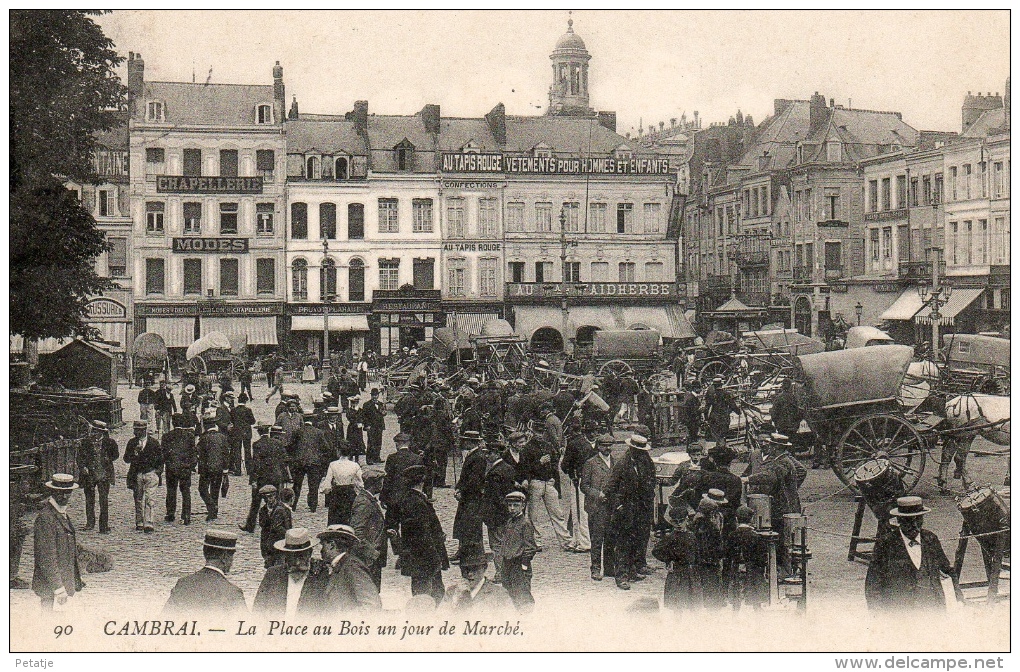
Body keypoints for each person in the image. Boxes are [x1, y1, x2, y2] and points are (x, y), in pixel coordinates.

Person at [865, 496, 958, 611]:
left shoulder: (930, 539)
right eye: (908, 520)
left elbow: (947, 570)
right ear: (898, 521)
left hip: (932, 611)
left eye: (918, 520)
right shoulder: (886, 543)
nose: (914, 525)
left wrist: (959, 600)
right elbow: (873, 583)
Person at [386, 464, 449, 605]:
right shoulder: (416, 502)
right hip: (425, 558)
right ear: (423, 481)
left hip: (421, 557)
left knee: (434, 592)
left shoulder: (412, 498)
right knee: (427, 595)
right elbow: (422, 534)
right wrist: (435, 557)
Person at [603, 433, 656, 590]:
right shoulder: (622, 464)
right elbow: (609, 488)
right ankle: (621, 576)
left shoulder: (644, 461)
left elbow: (649, 480)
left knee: (636, 541)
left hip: (640, 509)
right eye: (638, 450)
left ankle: (632, 571)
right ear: (632, 449)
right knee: (623, 544)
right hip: (625, 510)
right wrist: (618, 506)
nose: (642, 453)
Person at [162, 530, 247, 617]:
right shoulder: (233, 593)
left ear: (204, 552)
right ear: (224, 557)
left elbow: (164, 619)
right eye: (232, 556)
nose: (232, 561)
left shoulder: (183, 584)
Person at [33, 474, 84, 611]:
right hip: (51, 588)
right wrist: (58, 588)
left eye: (68, 492)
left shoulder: (62, 514)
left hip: (63, 584)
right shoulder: (46, 517)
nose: (65, 496)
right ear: (53, 492)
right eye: (61, 493)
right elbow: (46, 556)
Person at [253, 528, 330, 617]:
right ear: (285, 555)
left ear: (310, 553)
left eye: (301, 556)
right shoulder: (273, 574)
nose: (297, 563)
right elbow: (258, 609)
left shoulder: (320, 575)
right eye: (292, 557)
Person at [520, 428, 571, 551]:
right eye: (536, 432)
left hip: (548, 483)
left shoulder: (548, 446)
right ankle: (536, 542)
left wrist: (553, 477)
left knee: (557, 513)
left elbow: (555, 462)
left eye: (540, 431)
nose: (538, 435)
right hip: (535, 482)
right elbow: (525, 468)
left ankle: (565, 541)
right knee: (534, 516)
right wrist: (539, 462)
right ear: (531, 432)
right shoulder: (527, 449)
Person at [317, 524, 382, 613]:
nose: (321, 550)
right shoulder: (341, 564)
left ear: (332, 545)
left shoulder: (352, 566)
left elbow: (372, 605)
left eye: (323, 545)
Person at [579, 434, 618, 581]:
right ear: (598, 446)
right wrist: (597, 494)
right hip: (596, 507)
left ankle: (609, 568)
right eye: (604, 445)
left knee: (611, 538)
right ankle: (595, 568)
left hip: (611, 506)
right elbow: (584, 486)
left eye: (610, 445)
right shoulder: (590, 463)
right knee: (597, 539)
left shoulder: (615, 462)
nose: (607, 448)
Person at [241, 425, 290, 533]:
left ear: (258, 432)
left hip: (263, 478)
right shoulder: (277, 443)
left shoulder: (257, 444)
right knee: (277, 500)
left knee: (256, 501)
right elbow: (285, 459)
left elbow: (256, 464)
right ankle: (281, 523)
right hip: (276, 477)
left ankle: (250, 526)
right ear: (268, 431)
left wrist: (253, 480)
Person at [480, 446, 518, 584]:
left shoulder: (494, 473)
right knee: (505, 542)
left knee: (496, 545)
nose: (487, 456)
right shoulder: (508, 468)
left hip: (496, 515)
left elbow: (495, 497)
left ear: (496, 453)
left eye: (489, 453)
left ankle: (501, 573)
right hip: (506, 513)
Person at [652, 506, 701, 611]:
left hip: (690, 572)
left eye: (681, 521)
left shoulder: (691, 536)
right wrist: (668, 560)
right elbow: (656, 551)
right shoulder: (670, 537)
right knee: (677, 602)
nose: (679, 524)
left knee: (691, 601)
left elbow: (697, 552)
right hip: (677, 572)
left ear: (686, 520)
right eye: (675, 521)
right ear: (672, 522)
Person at [561, 420, 598, 554]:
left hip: (578, 480)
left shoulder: (573, 444)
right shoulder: (588, 445)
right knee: (583, 510)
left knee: (578, 510)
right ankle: (579, 540)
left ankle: (582, 542)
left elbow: (564, 466)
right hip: (589, 481)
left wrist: (571, 472)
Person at [442, 544, 513, 614]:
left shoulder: (499, 594)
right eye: (465, 569)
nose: (469, 573)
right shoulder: (451, 593)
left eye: (474, 568)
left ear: (485, 568)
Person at [498, 491, 538, 613]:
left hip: (519, 564)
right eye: (510, 505)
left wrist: (524, 565)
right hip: (507, 563)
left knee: (522, 594)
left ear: (523, 506)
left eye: (515, 505)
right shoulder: (510, 522)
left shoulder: (525, 523)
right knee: (508, 593)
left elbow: (530, 547)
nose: (512, 508)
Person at [350, 467, 388, 590]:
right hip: (369, 558)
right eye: (381, 482)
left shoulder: (367, 499)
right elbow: (357, 531)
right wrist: (371, 553)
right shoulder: (364, 502)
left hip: (372, 555)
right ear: (374, 484)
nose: (382, 485)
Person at [725, 505, 769, 610]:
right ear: (751, 520)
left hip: (736, 569)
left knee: (736, 599)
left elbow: (727, 554)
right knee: (755, 600)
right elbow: (762, 559)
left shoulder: (732, 535)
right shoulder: (756, 537)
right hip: (753, 571)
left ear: (736, 519)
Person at [452, 431, 488, 560]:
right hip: (467, 497)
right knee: (463, 524)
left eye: (465, 440)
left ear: (470, 442)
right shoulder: (472, 455)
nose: (463, 442)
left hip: (473, 497)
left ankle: (472, 553)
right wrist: (458, 487)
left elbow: (474, 481)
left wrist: (462, 491)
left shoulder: (478, 457)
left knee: (471, 525)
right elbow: (464, 477)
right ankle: (463, 551)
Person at [124, 420, 163, 533]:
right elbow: (126, 459)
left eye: (139, 430)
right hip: (137, 474)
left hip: (150, 473)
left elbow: (161, 459)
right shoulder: (132, 443)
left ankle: (149, 523)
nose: (137, 432)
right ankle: (139, 521)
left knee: (150, 499)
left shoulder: (154, 443)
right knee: (138, 498)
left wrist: (157, 472)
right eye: (135, 430)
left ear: (145, 430)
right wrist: (134, 453)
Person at [80, 421, 119, 533]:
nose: (93, 433)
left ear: (101, 432)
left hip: (104, 474)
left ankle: (103, 526)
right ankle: (90, 523)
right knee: (89, 499)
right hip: (89, 475)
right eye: (93, 431)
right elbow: (80, 457)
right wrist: (83, 467)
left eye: (96, 431)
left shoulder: (109, 442)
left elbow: (116, 455)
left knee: (103, 500)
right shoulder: (85, 442)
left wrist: (108, 459)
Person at [163, 413, 198, 526]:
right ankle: (186, 515)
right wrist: (191, 466)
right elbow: (193, 453)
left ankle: (170, 513)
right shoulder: (189, 436)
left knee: (171, 491)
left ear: (173, 423)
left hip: (171, 468)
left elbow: (163, 454)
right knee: (186, 491)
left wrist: (166, 464)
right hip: (185, 468)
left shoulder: (167, 436)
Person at [291, 412, 329, 513]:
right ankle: (313, 507)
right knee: (313, 485)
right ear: (313, 420)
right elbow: (326, 447)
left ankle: (293, 505)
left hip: (299, 462)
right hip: (314, 462)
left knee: (297, 485)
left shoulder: (297, 431)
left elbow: (291, 446)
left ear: (303, 420)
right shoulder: (318, 432)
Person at [692, 497, 726, 609]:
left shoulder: (694, 525)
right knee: (712, 586)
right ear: (711, 513)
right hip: (712, 562)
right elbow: (719, 548)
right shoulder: (712, 528)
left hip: (698, 561)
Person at [320, 446, 364, 525]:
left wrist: (325, 490)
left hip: (337, 492)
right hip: (350, 492)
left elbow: (327, 482)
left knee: (335, 518)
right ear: (350, 453)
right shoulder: (355, 465)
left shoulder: (333, 464)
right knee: (349, 516)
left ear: (338, 452)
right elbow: (361, 481)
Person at [197, 422, 230, 522]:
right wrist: (225, 469)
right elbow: (226, 454)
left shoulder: (203, 438)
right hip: (219, 468)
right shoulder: (222, 437)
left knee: (202, 489)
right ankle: (213, 512)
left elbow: (199, 453)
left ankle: (211, 508)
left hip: (206, 469)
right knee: (215, 490)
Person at [381, 433, 422, 510]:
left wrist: (383, 498)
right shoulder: (417, 458)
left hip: (394, 497)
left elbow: (388, 479)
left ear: (398, 444)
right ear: (409, 443)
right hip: (411, 498)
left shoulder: (392, 458)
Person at [256, 485, 292, 568]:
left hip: (280, 543)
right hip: (268, 544)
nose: (269, 500)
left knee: (280, 567)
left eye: (271, 497)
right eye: (266, 498)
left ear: (275, 496)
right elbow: (263, 525)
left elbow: (288, 527)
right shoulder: (263, 510)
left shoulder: (283, 509)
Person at [230, 393, 256, 476]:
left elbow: (232, 421)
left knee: (237, 451)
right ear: (246, 400)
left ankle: (238, 470)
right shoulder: (248, 410)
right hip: (246, 433)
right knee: (247, 451)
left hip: (236, 433)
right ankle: (249, 470)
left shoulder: (233, 410)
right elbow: (253, 421)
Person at [363, 388, 386, 465]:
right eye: (373, 395)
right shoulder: (366, 404)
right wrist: (367, 425)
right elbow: (364, 416)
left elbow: (383, 414)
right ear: (371, 395)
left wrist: (383, 412)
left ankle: (377, 457)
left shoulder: (381, 404)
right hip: (371, 426)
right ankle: (369, 459)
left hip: (379, 426)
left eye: (376, 395)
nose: (374, 397)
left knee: (378, 442)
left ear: (378, 395)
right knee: (371, 442)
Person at [345, 396, 367, 465]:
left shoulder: (360, 410)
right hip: (352, 428)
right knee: (351, 443)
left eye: (355, 402)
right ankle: (350, 459)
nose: (354, 404)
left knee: (358, 443)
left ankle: (357, 460)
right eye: (352, 402)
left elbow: (363, 417)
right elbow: (349, 418)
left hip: (358, 429)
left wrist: (362, 422)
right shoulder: (349, 410)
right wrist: (356, 422)